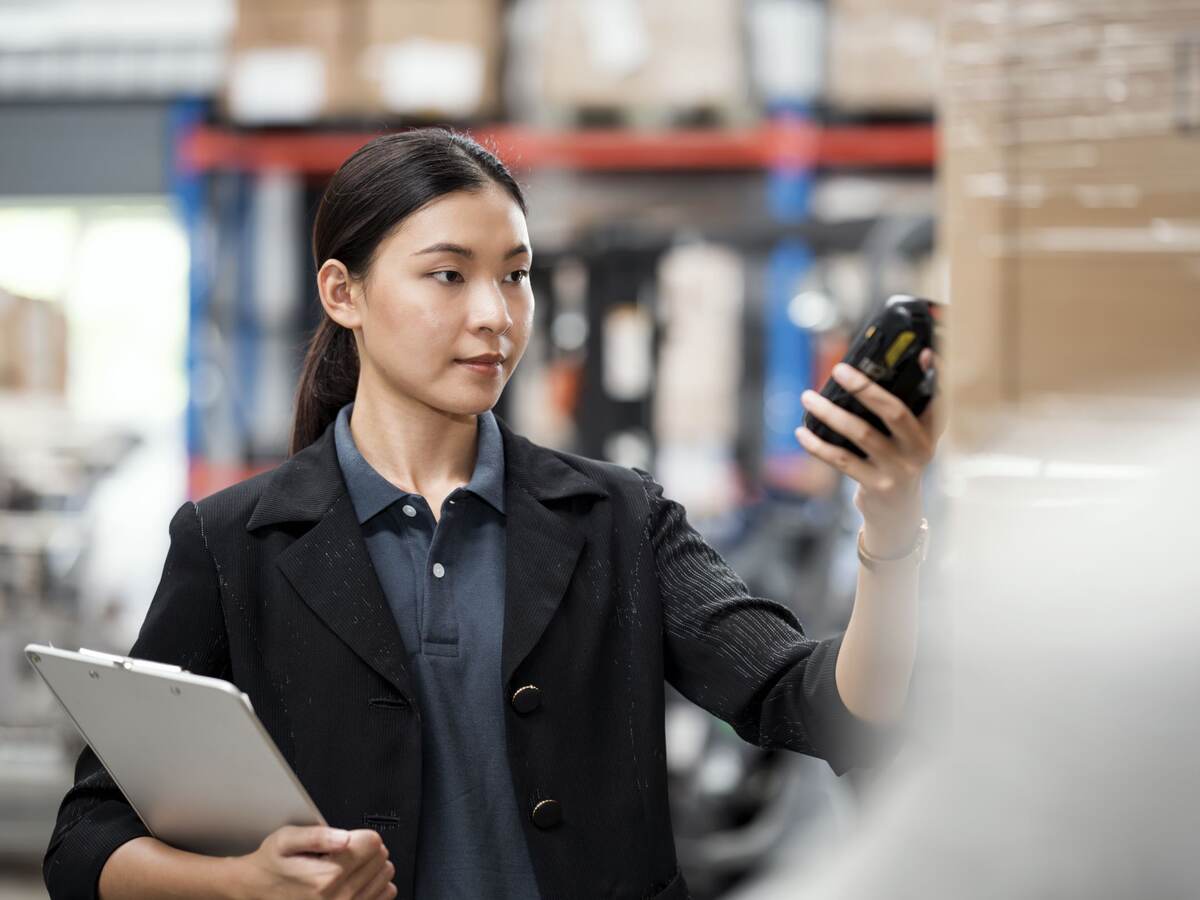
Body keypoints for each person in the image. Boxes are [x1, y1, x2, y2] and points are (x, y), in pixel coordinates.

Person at [43, 128, 942, 900]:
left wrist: (891, 520)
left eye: (515, 276)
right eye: (447, 275)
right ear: (342, 293)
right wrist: (242, 884)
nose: (495, 316)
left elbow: (829, 710)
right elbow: (85, 841)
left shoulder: (617, 520)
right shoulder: (234, 542)